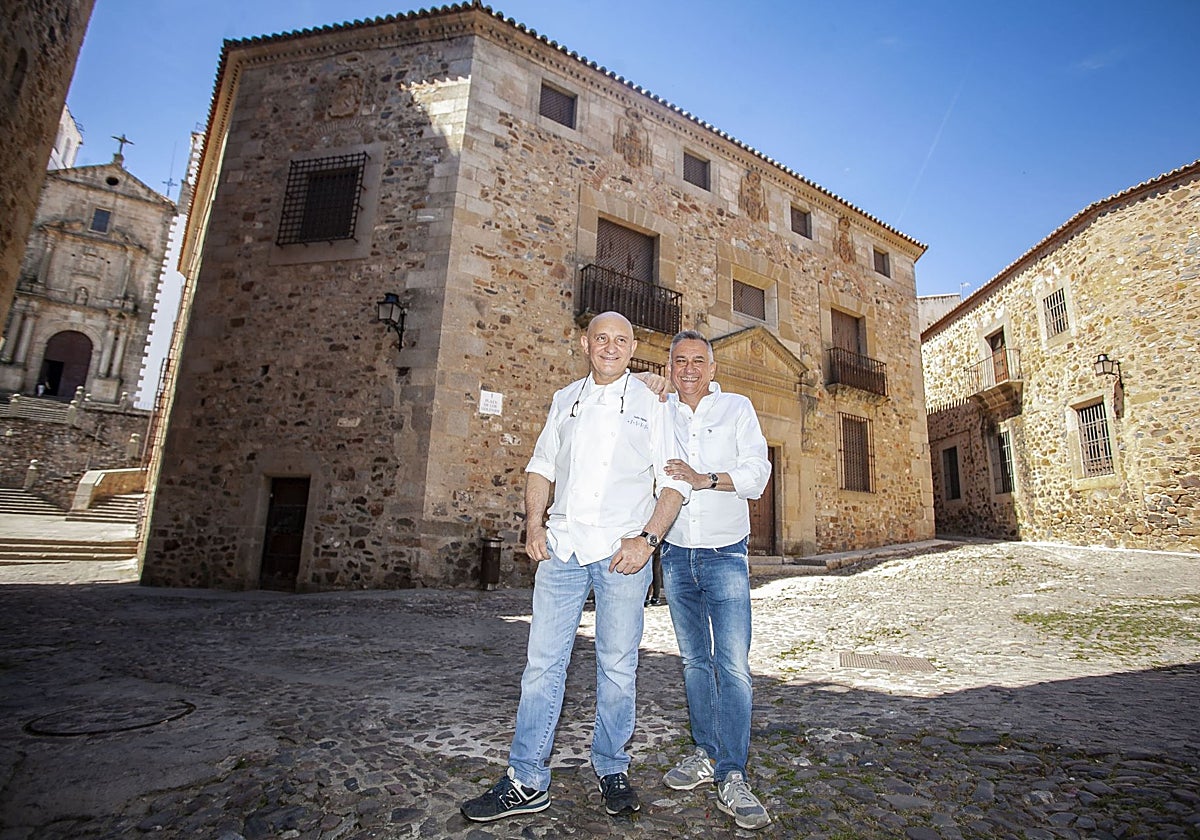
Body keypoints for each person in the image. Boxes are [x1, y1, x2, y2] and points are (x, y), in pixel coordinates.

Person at [461, 311, 690, 822]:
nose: (610, 347)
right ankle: (526, 780)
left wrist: (647, 541)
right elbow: (541, 467)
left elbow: (673, 483)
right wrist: (534, 525)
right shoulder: (565, 399)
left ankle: (611, 766)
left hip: (620, 558)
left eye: (621, 340)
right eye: (601, 338)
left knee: (617, 666)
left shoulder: (655, 404)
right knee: (542, 666)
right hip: (562, 551)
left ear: (634, 349)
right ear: (586, 344)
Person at [659, 329, 773, 831]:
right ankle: (705, 753)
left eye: (697, 361)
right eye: (678, 361)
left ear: (712, 367)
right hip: (676, 554)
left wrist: (702, 477)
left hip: (726, 553)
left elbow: (757, 473)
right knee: (693, 663)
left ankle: (733, 773)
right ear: (669, 367)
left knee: (734, 666)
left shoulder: (738, 408)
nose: (688, 369)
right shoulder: (659, 408)